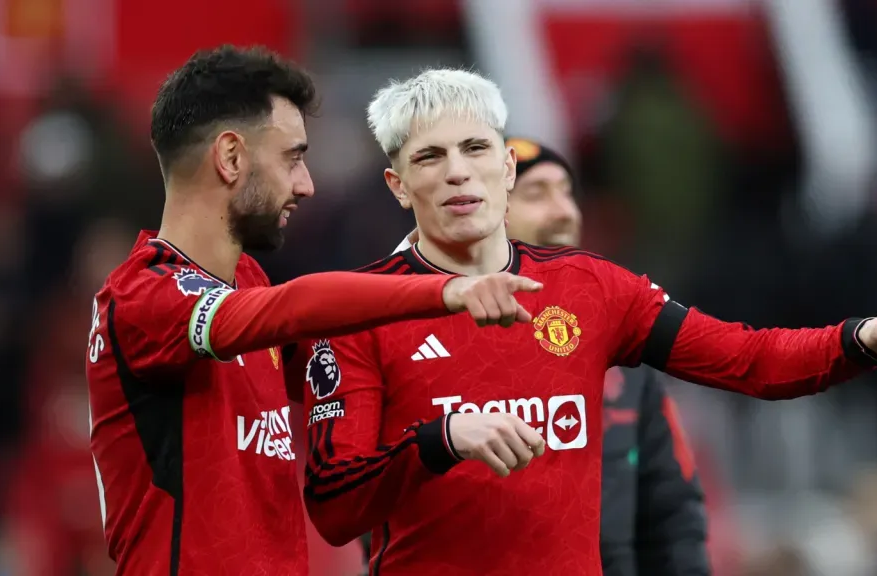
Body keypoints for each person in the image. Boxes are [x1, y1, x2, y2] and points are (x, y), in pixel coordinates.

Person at [291, 68, 877, 575]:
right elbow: (334, 506)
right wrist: (441, 440)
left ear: (505, 165)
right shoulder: (356, 314)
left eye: (473, 149)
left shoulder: (591, 288)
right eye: (430, 158)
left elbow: (744, 358)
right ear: (398, 186)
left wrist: (858, 339)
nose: (458, 173)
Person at [85, 49, 543, 576]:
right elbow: (296, 307)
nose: (306, 183)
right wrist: (440, 286)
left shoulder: (249, 285)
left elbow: (354, 363)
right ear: (231, 157)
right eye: (292, 157)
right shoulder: (146, 297)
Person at [504, 137, 709, 575]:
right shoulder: (436, 343)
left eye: (566, 192)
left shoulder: (625, 354)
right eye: (535, 194)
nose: (565, 212)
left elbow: (674, 517)